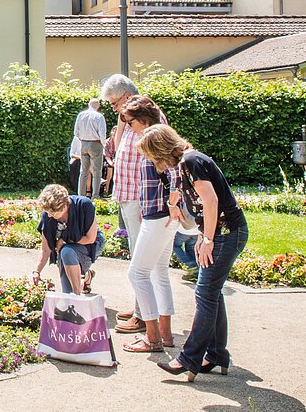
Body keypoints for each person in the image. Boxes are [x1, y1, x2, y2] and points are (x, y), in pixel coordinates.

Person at [138, 125, 249, 381]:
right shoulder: (188, 162)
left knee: (205, 294)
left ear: (162, 150)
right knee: (212, 293)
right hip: (223, 232)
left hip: (226, 233)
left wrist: (208, 238)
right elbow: (204, 205)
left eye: (153, 156)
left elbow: (211, 201)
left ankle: (190, 358)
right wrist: (203, 235)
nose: (155, 163)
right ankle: (217, 354)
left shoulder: (191, 161)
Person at [100, 74, 167, 331]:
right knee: (136, 253)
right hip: (127, 194)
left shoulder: (149, 117)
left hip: (143, 197)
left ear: (127, 96)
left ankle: (144, 315)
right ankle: (141, 305)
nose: (114, 108)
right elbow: (117, 151)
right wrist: (120, 120)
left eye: (115, 103)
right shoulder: (126, 121)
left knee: (143, 260)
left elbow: (160, 157)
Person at [117, 96, 179, 353]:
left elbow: (174, 171)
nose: (128, 126)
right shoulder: (160, 134)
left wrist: (171, 202)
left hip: (157, 215)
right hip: (164, 215)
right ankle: (165, 334)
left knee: (137, 273)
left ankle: (152, 336)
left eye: (129, 121)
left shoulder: (153, 138)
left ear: (142, 120)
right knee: (159, 272)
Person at [31, 184, 105, 295]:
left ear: (65, 206)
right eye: (48, 213)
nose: (50, 216)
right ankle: (84, 275)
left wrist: (65, 240)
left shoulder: (84, 205)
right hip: (67, 250)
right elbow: (46, 249)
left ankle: (77, 295)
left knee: (66, 251)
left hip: (91, 244)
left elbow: (90, 238)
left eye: (53, 213)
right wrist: (37, 271)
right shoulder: (48, 215)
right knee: (67, 293)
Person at [73, 98, 107, 199]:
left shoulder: (81, 115)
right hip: (95, 143)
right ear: (98, 105)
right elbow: (102, 133)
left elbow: (76, 132)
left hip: (83, 143)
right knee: (97, 172)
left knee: (83, 171)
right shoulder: (99, 116)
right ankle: (95, 196)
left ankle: (81, 195)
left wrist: (82, 140)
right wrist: (103, 144)